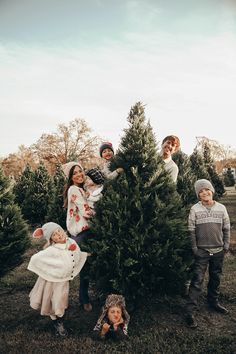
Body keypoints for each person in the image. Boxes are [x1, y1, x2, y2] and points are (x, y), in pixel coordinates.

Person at [27, 222, 88, 337]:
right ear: (51, 239)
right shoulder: (52, 250)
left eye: (59, 231)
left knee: (59, 301)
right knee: (51, 300)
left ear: (62, 230)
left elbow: (77, 254)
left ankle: (59, 321)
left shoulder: (71, 242)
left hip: (62, 281)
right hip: (50, 280)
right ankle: (57, 323)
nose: (58, 235)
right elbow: (36, 258)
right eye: (54, 235)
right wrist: (44, 269)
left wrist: (84, 255)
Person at [185, 179, 231, 328]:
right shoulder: (195, 209)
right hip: (202, 251)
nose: (205, 193)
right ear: (198, 195)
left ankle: (213, 302)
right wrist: (195, 249)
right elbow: (191, 231)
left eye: (207, 190)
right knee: (197, 280)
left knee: (215, 277)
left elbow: (226, 228)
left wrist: (225, 246)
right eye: (201, 191)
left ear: (212, 191)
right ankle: (190, 311)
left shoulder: (221, 208)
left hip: (218, 250)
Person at [62, 161, 94, 312]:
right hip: (81, 233)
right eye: (74, 173)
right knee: (77, 266)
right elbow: (86, 211)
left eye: (80, 171)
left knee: (85, 265)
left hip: (85, 231)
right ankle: (62, 300)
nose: (79, 174)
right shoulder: (74, 189)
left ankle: (83, 298)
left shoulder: (81, 190)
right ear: (70, 177)